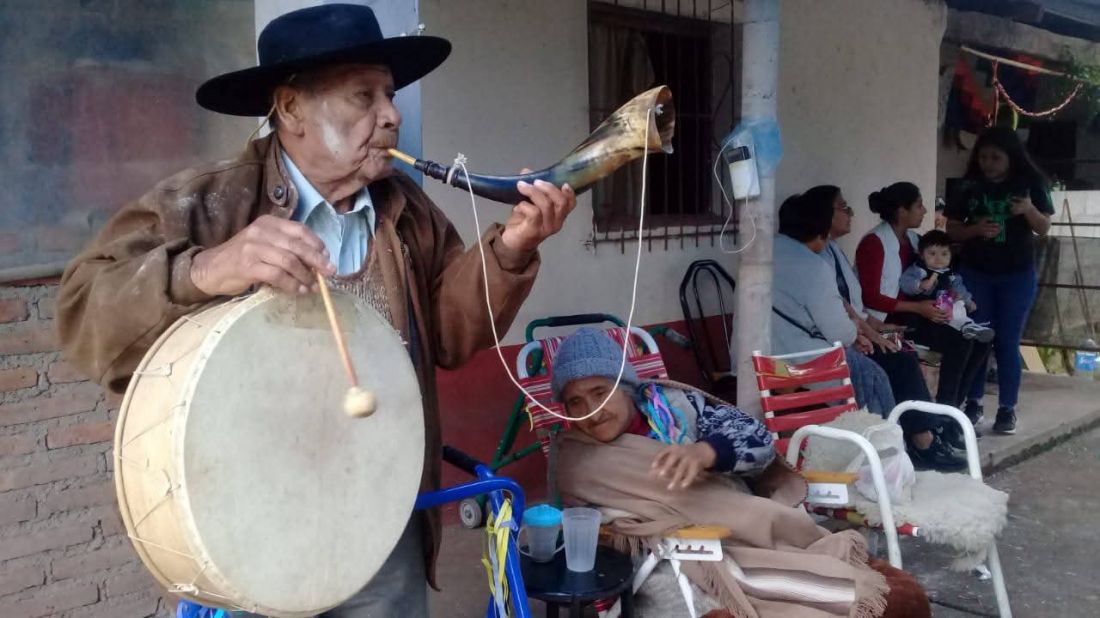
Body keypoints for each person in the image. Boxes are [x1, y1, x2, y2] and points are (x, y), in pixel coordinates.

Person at [56, 6, 576, 617]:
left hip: (382, 519)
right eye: (364, 95)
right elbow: (83, 309)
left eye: (389, 93)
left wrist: (509, 250)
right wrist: (204, 268)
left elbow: (447, 336)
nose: (391, 115)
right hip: (247, 533)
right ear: (291, 109)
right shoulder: (210, 200)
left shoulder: (405, 212)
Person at [551, 328, 932, 618]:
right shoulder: (574, 454)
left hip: (749, 532)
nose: (591, 410)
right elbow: (582, 524)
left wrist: (707, 452)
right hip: (669, 558)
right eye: (575, 402)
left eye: (600, 392)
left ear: (627, 386)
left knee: (903, 598)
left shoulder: (681, 408)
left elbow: (759, 441)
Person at [811, 185, 964, 470]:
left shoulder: (832, 249)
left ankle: (943, 421)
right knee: (901, 360)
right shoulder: (861, 246)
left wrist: (874, 327)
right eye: (843, 208)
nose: (850, 213)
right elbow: (849, 305)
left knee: (963, 340)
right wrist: (870, 331)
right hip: (841, 338)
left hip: (869, 325)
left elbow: (851, 304)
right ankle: (921, 440)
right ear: (901, 211)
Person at [946, 127, 1053, 435]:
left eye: (996, 157)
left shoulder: (1030, 183)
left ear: (1011, 157)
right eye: (983, 157)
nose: (988, 163)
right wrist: (975, 230)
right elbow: (952, 229)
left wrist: (1028, 209)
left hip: (1017, 276)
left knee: (1007, 341)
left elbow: (1044, 227)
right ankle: (974, 402)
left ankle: (1007, 408)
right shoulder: (968, 186)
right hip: (976, 273)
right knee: (978, 336)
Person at [855, 183, 990, 416]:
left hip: (916, 313)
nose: (925, 211)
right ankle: (945, 416)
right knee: (958, 342)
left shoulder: (915, 240)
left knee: (980, 341)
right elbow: (871, 297)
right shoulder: (874, 243)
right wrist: (918, 308)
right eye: (919, 205)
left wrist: (949, 295)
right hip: (886, 320)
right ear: (902, 211)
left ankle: (952, 410)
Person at [772, 193, 896, 418]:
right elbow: (840, 333)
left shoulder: (764, 253)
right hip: (796, 363)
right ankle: (879, 446)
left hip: (757, 358)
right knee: (874, 377)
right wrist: (855, 334)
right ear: (819, 229)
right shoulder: (812, 266)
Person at [899, 230, 994, 342]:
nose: (939, 258)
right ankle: (967, 327)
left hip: (945, 309)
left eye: (944, 254)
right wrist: (918, 285)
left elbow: (960, 289)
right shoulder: (919, 270)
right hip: (923, 312)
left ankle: (969, 327)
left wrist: (967, 301)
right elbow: (905, 282)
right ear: (921, 255)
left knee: (959, 304)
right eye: (932, 254)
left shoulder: (951, 274)